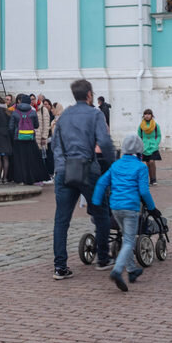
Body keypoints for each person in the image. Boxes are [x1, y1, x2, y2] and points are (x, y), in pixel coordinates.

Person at [52, 79, 115, 280]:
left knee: (61, 219)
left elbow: (56, 144)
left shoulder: (64, 116)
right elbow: (104, 141)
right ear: (89, 94)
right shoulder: (95, 114)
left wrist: (61, 166)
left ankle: (60, 266)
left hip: (64, 170)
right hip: (88, 168)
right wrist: (112, 163)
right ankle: (103, 258)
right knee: (101, 212)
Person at [92, 134, 159, 292]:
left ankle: (132, 270)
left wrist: (95, 201)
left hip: (115, 207)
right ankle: (117, 270)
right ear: (139, 151)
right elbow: (144, 191)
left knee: (124, 237)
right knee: (129, 240)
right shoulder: (141, 167)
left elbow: (102, 182)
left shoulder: (115, 165)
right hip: (131, 208)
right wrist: (152, 208)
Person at [10, 96, 45, 185]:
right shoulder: (33, 112)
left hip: (18, 139)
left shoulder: (15, 112)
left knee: (19, 159)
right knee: (30, 159)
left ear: (20, 102)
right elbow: (36, 125)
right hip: (30, 139)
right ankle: (30, 178)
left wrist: (14, 133)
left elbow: (10, 127)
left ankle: (20, 179)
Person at [138, 109, 161, 185]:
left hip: (153, 146)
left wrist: (156, 143)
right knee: (147, 163)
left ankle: (154, 178)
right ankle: (150, 179)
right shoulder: (141, 126)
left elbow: (159, 135)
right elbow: (139, 136)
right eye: (145, 114)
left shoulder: (155, 125)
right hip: (145, 147)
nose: (147, 116)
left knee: (152, 161)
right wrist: (141, 143)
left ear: (151, 115)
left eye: (149, 114)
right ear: (143, 115)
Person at [37, 97, 55, 181]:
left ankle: (50, 173)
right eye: (44, 104)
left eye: (47, 104)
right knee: (44, 157)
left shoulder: (52, 115)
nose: (45, 106)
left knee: (50, 157)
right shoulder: (40, 113)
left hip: (50, 138)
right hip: (43, 139)